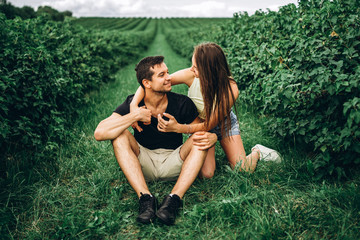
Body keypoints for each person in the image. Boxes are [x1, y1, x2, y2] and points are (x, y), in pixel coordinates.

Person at [94, 56, 217, 225]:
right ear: (147, 83)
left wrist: (213, 135)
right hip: (143, 163)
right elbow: (100, 133)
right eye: (162, 75)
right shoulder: (133, 103)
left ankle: (173, 200)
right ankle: (146, 198)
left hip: (174, 160)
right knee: (119, 135)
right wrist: (134, 115)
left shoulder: (182, 103)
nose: (169, 77)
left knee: (200, 137)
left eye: (167, 72)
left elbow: (202, 128)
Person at [130, 43, 281, 178]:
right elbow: (152, 82)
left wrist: (178, 128)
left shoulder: (230, 89)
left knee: (242, 169)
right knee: (206, 174)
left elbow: (209, 125)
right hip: (198, 123)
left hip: (223, 124)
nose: (191, 69)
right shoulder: (190, 75)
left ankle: (258, 152)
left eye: (195, 67)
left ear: (209, 69)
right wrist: (134, 106)